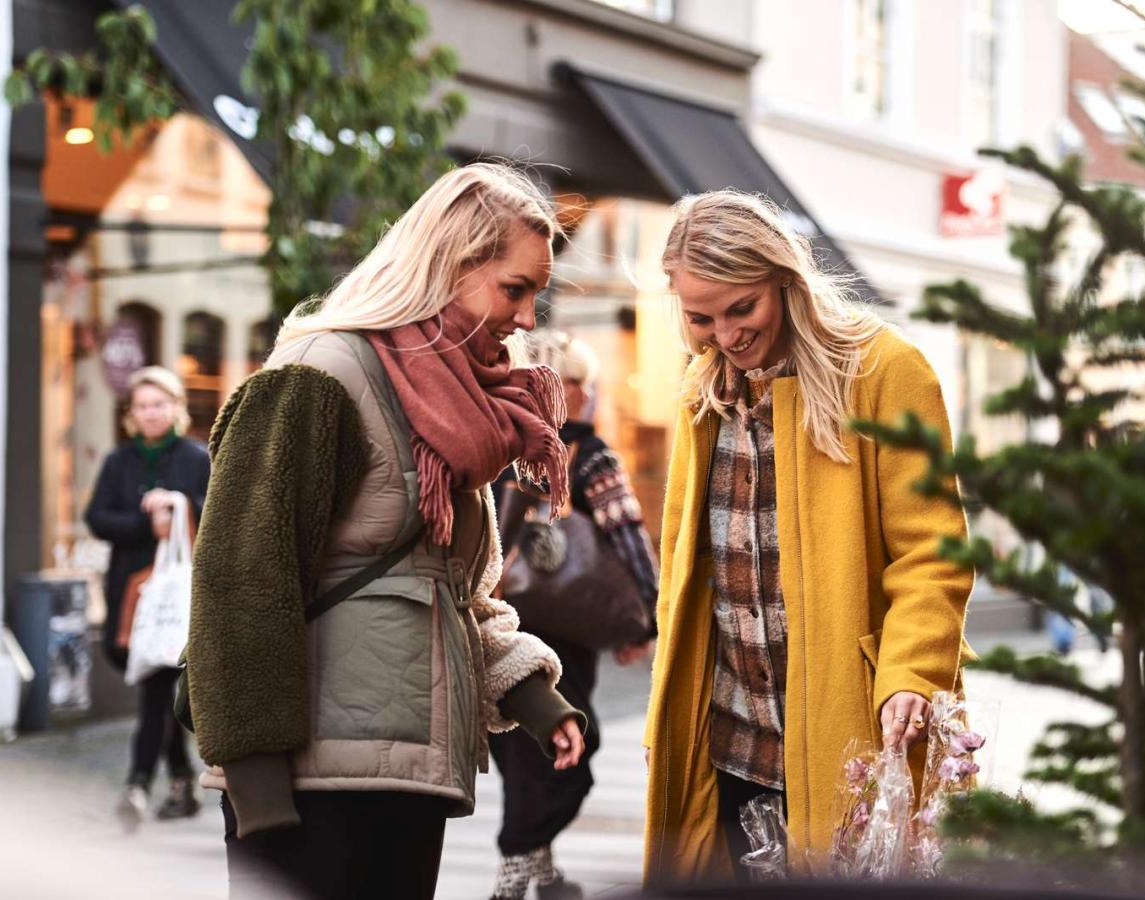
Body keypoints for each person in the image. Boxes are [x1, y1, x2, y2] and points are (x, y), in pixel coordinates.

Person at [185, 163, 588, 900]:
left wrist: (533, 696)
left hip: (407, 770)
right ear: (451, 264)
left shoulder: (458, 410)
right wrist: (258, 787)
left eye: (538, 293)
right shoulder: (319, 373)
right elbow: (242, 579)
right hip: (306, 785)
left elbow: (448, 585)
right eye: (515, 288)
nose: (529, 318)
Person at [642, 190, 975, 882]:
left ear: (785, 282)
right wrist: (663, 715)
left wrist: (912, 670)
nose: (726, 336)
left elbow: (933, 553)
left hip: (850, 730)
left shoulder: (884, 371)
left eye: (743, 308)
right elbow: (681, 569)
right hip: (732, 743)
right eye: (700, 317)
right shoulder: (701, 391)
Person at [488, 331, 659, 900]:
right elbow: (629, 535)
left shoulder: (496, 445)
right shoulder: (591, 455)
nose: (594, 394)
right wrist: (647, 619)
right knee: (570, 756)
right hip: (566, 634)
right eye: (587, 384)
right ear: (573, 392)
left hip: (502, 627)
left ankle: (537, 869)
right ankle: (515, 872)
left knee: (523, 754)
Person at [85, 365, 210, 828]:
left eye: (159, 404)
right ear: (131, 414)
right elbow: (97, 518)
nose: (151, 413)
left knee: (156, 690)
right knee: (157, 689)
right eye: (142, 406)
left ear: (176, 408)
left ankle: (137, 784)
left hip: (180, 598)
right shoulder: (119, 462)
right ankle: (181, 780)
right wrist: (145, 520)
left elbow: (216, 513)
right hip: (132, 598)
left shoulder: (197, 458)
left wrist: (179, 506)